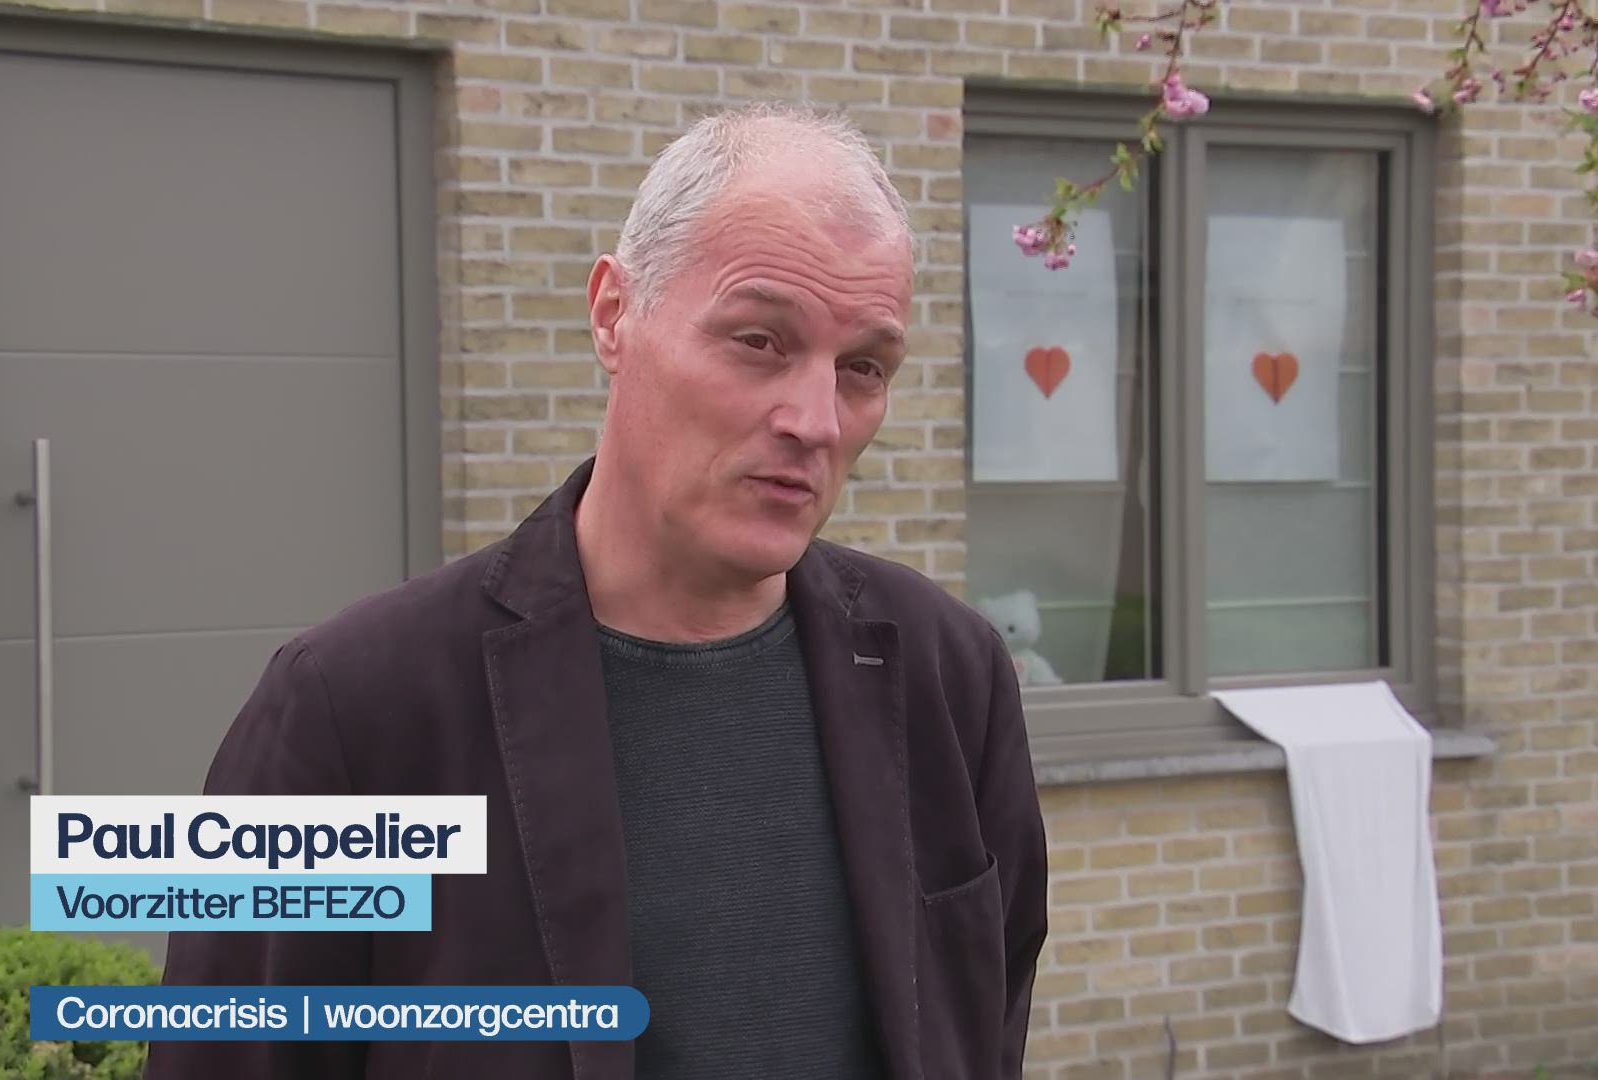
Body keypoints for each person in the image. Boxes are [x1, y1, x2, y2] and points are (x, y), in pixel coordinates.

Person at [147, 101, 1048, 1080]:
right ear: (615, 313)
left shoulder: (951, 678)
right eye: (759, 340)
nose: (816, 419)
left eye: (863, 367)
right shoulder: (350, 711)